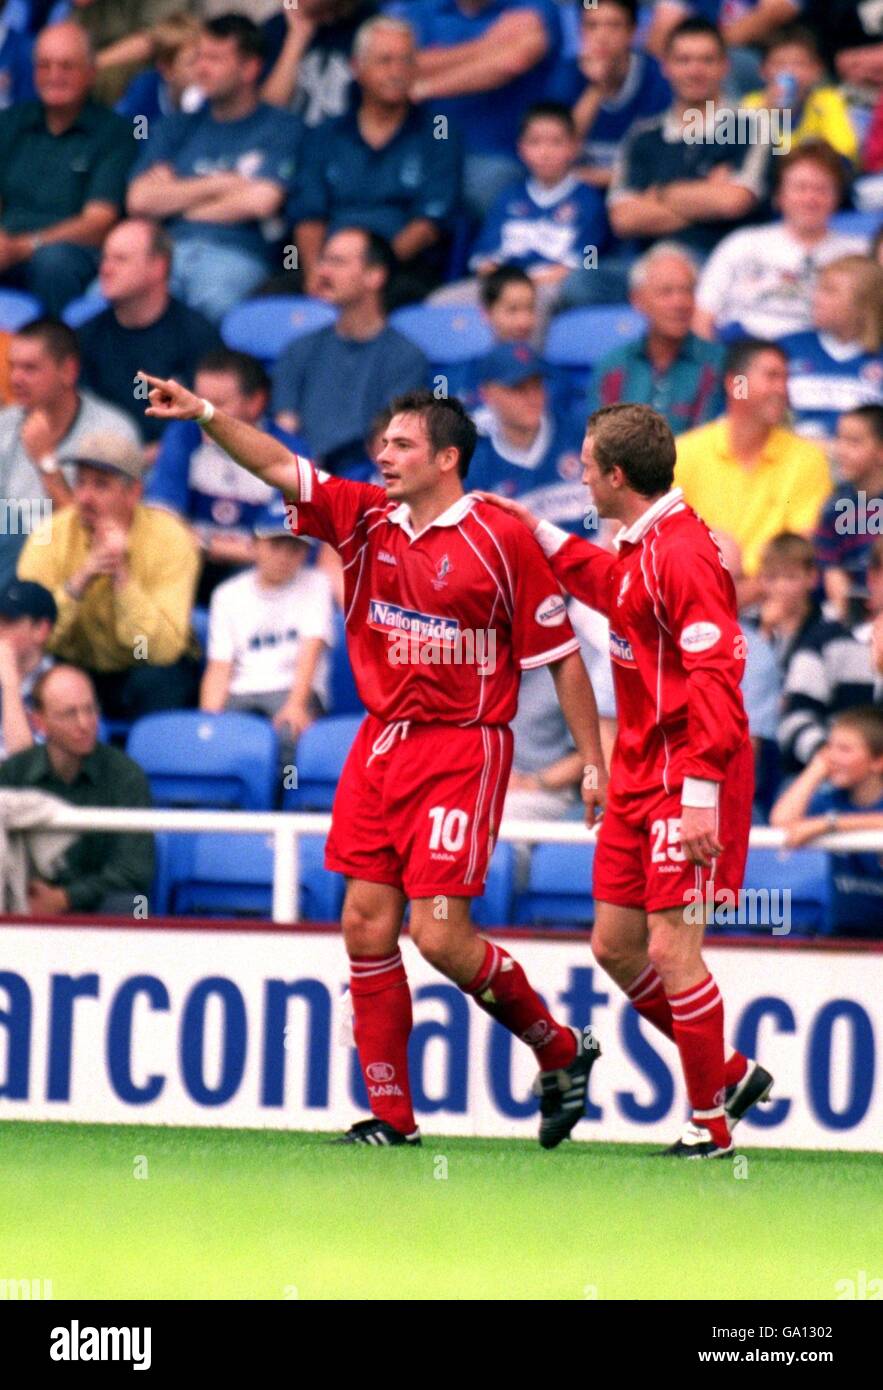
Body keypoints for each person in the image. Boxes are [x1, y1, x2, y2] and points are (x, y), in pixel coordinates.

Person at [141, 370, 608, 1150]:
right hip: (382, 739)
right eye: (381, 443)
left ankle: (558, 1047)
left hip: (465, 744)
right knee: (363, 923)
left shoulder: (503, 538)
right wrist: (206, 414)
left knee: (439, 936)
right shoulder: (363, 518)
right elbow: (276, 466)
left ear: (447, 458)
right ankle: (393, 1119)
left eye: (401, 445)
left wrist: (593, 759)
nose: (382, 456)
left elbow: (561, 657)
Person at [477, 402, 771, 1158]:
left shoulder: (683, 555)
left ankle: (709, 1126)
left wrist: (701, 789)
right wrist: (541, 534)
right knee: (614, 945)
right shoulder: (642, 546)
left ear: (615, 475)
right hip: (640, 771)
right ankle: (729, 1072)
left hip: (687, 773)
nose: (575, 474)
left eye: (583, 465)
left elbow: (716, 675)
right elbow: (614, 589)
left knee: (675, 951)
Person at [126, 14, 303, 322]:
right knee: (103, 299)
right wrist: (223, 183)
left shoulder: (281, 127)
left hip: (236, 256)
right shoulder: (175, 127)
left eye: (216, 59)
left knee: (211, 309)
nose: (202, 68)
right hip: (167, 252)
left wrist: (174, 199)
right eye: (199, 57)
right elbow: (138, 201)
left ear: (250, 68)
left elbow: (262, 201)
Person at [17, 431, 201, 721]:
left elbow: (160, 650)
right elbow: (27, 637)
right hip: (77, 667)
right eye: (80, 482)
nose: (85, 497)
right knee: (38, 677)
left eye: (101, 485)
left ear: (134, 493)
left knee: (158, 680)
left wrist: (122, 578)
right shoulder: (48, 536)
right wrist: (80, 581)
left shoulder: (171, 540)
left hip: (141, 668)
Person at [292, 16, 462, 307]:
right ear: (357, 67)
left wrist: (367, 272)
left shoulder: (439, 129)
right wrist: (316, 273)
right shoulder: (325, 133)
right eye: (385, 61)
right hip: (326, 267)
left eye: (407, 61)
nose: (397, 72)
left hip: (402, 271)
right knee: (264, 304)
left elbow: (429, 223)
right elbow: (308, 215)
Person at [147, 347, 303, 604]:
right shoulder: (183, 434)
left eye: (217, 404)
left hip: (258, 582)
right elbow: (161, 522)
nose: (199, 411)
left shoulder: (289, 453)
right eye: (198, 399)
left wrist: (206, 544)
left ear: (256, 402)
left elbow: (282, 552)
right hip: (189, 570)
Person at [0, 20, 135, 313]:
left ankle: (56, 354)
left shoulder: (115, 132)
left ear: (91, 72)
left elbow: (99, 223)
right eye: (44, 66)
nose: (54, 76)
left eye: (66, 66)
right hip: (7, 243)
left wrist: (25, 245)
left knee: (54, 264)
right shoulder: (11, 122)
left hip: (71, 251)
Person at [675, 338, 832, 589]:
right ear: (736, 384)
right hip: (693, 593)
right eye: (771, 377)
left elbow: (799, 552)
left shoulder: (807, 458)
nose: (782, 389)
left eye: (785, 379)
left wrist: (730, 602)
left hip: (771, 600)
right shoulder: (685, 452)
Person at [608, 18, 770, 259]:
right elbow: (623, 219)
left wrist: (659, 194)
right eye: (683, 60)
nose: (695, 71)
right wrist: (707, 198)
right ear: (665, 66)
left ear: (725, 66)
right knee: (584, 282)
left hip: (722, 263)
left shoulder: (753, 124)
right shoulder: (642, 136)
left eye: (707, 60)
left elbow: (733, 202)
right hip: (649, 267)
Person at [0, 663, 155, 915]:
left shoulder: (126, 775)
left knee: (131, 904)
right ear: (39, 722)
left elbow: (135, 870)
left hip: (100, 905)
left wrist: (65, 898)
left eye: (90, 709)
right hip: (26, 900)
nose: (85, 723)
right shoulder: (13, 774)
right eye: (69, 714)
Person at [272, 228, 427, 475]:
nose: (322, 271)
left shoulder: (407, 357)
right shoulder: (299, 348)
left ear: (375, 276)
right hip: (299, 479)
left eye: (338, 262)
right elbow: (285, 428)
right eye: (323, 260)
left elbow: (391, 441)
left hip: (367, 485)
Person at [0, 317, 141, 589]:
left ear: (68, 371)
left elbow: (100, 534)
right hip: (12, 565)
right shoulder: (5, 424)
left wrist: (46, 463)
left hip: (83, 572)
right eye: (12, 367)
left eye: (30, 368)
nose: (15, 378)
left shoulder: (111, 432)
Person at [200, 492, 334, 766]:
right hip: (241, 692)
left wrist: (296, 705)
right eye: (276, 545)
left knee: (289, 735)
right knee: (218, 744)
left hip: (293, 688)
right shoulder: (227, 594)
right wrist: (209, 724)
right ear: (255, 545)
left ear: (305, 552)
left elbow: (311, 649)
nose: (285, 556)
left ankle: (285, 804)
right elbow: (219, 667)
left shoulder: (317, 584)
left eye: (294, 548)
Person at [693, 141, 868, 342]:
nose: (810, 198)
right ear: (779, 195)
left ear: (836, 197)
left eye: (821, 189)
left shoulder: (859, 253)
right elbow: (702, 319)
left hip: (822, 366)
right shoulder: (742, 244)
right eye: (800, 188)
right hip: (742, 357)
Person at [406, 0, 563, 217]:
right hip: (428, 147)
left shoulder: (533, 6)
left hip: (495, 155)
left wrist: (426, 87)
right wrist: (486, 46)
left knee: (491, 194)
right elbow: (404, 64)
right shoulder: (423, 8)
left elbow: (513, 61)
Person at [460, 102, 609, 325]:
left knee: (526, 311)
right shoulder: (507, 197)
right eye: (535, 142)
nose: (545, 152)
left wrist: (524, 287)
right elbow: (484, 260)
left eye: (556, 142)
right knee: (440, 303)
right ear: (521, 148)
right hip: (500, 286)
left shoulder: (589, 201)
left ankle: (523, 360)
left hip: (551, 288)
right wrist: (509, 287)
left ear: (575, 147)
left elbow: (587, 263)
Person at [77, 218, 220, 448]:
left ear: (158, 266)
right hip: (101, 460)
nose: (105, 269)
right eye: (104, 258)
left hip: (173, 463)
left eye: (120, 259)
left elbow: (211, 423)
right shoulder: (85, 336)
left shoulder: (200, 338)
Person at [755, 532, 876, 775]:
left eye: (790, 577)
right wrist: (764, 633)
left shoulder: (830, 623)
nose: (781, 587)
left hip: (810, 737)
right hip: (764, 732)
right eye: (772, 578)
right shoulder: (749, 624)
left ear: (812, 578)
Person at [587, 242, 725, 435]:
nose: (679, 302)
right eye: (666, 292)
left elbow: (741, 416)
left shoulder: (724, 363)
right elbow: (597, 441)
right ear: (637, 300)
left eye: (687, 291)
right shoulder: (613, 365)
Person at [771, 706, 883, 937]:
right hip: (840, 936)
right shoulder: (831, 800)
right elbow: (781, 820)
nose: (832, 756)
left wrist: (829, 824)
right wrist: (816, 769)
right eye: (829, 747)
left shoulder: (829, 815)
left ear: (878, 761)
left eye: (844, 749)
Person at [467, 343, 591, 535]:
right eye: (517, 388)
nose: (532, 397)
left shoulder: (583, 433)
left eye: (536, 385)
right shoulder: (475, 461)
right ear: (487, 394)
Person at [563, 0, 671, 190]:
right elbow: (556, 153)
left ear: (633, 31)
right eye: (592, 26)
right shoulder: (566, 74)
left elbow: (656, 167)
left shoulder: (657, 78)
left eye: (614, 25)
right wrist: (596, 87)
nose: (602, 36)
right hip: (579, 195)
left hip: (635, 194)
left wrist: (592, 177)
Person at [779, 257, 883, 446]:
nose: (816, 298)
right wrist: (739, 402)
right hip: (791, 460)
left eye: (830, 291)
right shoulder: (787, 345)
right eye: (818, 289)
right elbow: (740, 376)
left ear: (863, 305)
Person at [743, 24, 860, 163]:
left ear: (817, 71)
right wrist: (766, 112)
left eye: (799, 64)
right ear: (763, 71)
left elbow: (845, 151)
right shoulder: (752, 104)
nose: (790, 72)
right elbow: (743, 158)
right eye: (779, 64)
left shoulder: (829, 100)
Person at [812, 406, 883, 621]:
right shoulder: (834, 507)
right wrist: (852, 621)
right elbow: (830, 568)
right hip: (852, 616)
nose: (841, 450)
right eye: (839, 440)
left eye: (854, 442)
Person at [261, 0, 377, 129]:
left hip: (349, 142)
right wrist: (298, 35)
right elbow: (267, 114)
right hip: (289, 141)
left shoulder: (371, 25)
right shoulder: (275, 29)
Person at [0, 577, 55, 761]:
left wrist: (10, 683)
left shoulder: (59, 688)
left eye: (8, 622)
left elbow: (25, 766)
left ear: (41, 629)